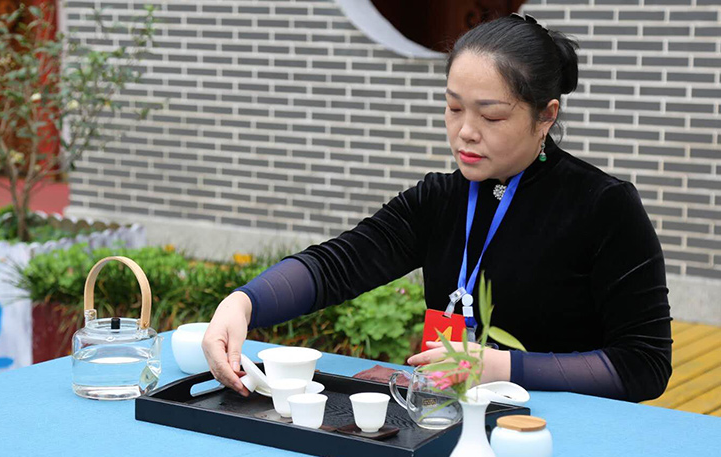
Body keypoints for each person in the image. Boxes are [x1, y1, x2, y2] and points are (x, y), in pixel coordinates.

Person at [202, 14, 672, 403]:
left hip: (558, 435)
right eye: (453, 108)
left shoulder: (603, 206)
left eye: (491, 115)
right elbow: (339, 265)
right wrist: (243, 303)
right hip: (449, 424)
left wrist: (500, 366)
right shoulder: (440, 198)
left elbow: (645, 365)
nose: (465, 131)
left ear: (545, 115)